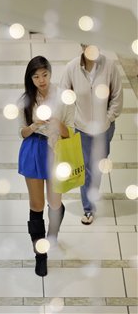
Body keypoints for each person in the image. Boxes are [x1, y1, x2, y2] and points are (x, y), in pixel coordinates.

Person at [17, 56, 74, 277]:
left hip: (57, 151)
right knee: (37, 204)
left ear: (50, 73)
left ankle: (53, 232)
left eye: (44, 75)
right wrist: (34, 125)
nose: (41, 80)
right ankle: (40, 255)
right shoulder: (25, 100)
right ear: (30, 78)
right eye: (36, 76)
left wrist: (55, 122)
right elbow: (21, 132)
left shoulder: (63, 97)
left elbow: (70, 131)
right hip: (33, 149)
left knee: (55, 202)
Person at [60, 45, 123, 225]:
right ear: (81, 45)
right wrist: (72, 121)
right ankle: (88, 208)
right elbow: (63, 97)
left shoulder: (109, 66)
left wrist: (108, 118)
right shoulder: (71, 68)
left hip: (104, 128)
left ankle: (91, 197)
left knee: (98, 167)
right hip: (82, 129)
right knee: (87, 168)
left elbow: (118, 95)